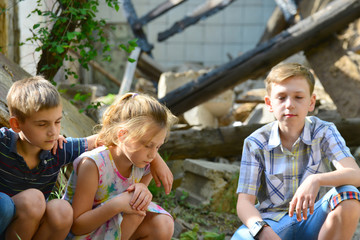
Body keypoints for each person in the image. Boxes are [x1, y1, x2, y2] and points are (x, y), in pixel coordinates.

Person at [0, 77, 174, 240]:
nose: (53, 132)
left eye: (57, 122)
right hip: (6, 211)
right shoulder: (3, 142)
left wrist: (156, 159)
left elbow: (107, 137)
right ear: (16, 124)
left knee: (60, 209)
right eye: (42, 124)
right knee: (30, 200)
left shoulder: (59, 148)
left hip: (33, 220)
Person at [231, 63, 360, 240]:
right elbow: (244, 202)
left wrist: (316, 179)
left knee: (349, 194)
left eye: (298, 97)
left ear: (311, 102)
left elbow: (355, 174)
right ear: (269, 103)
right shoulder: (255, 142)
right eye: (281, 97)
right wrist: (261, 230)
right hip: (274, 224)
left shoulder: (324, 132)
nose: (289, 104)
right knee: (242, 238)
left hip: (316, 219)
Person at [63, 92, 178, 240]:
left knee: (162, 223)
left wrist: (142, 188)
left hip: (116, 229)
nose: (152, 155)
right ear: (122, 135)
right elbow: (77, 227)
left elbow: (135, 206)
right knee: (134, 210)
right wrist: (117, 204)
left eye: (157, 147)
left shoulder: (145, 165)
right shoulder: (93, 165)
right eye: (148, 145)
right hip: (84, 234)